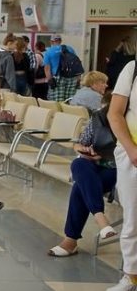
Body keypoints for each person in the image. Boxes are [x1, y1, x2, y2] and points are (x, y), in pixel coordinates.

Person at [48, 94, 117, 257]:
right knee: (78, 163)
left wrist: (104, 155)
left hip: (118, 169)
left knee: (80, 186)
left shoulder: (130, 123)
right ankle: (100, 218)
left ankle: (71, 240)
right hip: (94, 166)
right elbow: (79, 143)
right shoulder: (98, 118)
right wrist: (84, 150)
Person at [105, 59, 137, 291]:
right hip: (132, 154)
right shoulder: (132, 69)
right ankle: (131, 277)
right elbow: (114, 114)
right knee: (133, 218)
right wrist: (131, 149)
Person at [44, 34, 81, 102]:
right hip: (72, 77)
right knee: (69, 100)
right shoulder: (70, 49)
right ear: (60, 41)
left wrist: (50, 80)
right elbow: (77, 64)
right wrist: (78, 79)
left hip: (58, 78)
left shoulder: (49, 51)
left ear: (51, 42)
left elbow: (47, 68)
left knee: (57, 102)